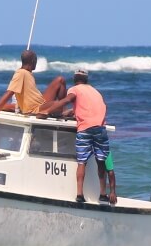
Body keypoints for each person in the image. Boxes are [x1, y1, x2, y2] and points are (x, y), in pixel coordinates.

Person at [42, 69, 110, 203]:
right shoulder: (95, 91)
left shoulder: (74, 89)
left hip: (85, 128)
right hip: (100, 127)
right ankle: (102, 193)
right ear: (86, 80)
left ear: (74, 80)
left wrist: (46, 111)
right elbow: (89, 107)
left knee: (82, 162)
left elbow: (66, 100)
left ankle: (79, 194)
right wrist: (72, 112)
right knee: (101, 162)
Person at [0, 49, 66, 114]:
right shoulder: (20, 73)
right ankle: (62, 110)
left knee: (60, 80)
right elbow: (9, 93)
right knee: (58, 104)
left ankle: (63, 110)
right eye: (36, 61)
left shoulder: (28, 73)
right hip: (34, 109)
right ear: (33, 61)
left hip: (41, 103)